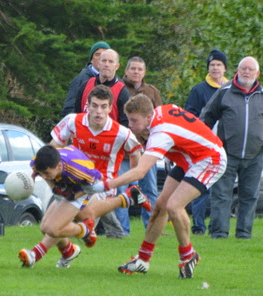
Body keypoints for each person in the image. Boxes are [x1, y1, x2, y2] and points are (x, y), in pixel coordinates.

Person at [106, 95, 227, 278]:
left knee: (173, 206)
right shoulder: (161, 111)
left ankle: (188, 255)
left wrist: (107, 184)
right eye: (129, 119)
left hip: (211, 159)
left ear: (148, 117)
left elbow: (140, 172)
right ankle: (143, 260)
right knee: (161, 205)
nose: (130, 125)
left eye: (134, 120)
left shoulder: (160, 133)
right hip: (191, 158)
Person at [30, 85, 145, 268]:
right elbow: (53, 147)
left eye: (103, 106)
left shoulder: (121, 133)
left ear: (110, 108)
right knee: (49, 224)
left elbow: (136, 154)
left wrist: (134, 179)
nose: (98, 111)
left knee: (65, 218)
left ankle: (36, 253)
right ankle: (70, 249)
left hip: (99, 185)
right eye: (95, 105)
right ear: (87, 106)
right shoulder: (73, 121)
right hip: (72, 180)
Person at [18, 144, 148, 268]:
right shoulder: (37, 163)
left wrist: (72, 196)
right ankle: (69, 250)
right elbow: (42, 174)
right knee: (46, 227)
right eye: (42, 173)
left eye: (47, 173)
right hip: (66, 184)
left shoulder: (78, 171)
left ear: (58, 166)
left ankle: (81, 232)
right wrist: (54, 189)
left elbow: (95, 186)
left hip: (84, 187)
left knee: (53, 228)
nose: (45, 176)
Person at [201, 56, 263, 239]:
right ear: (237, 70)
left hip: (255, 156)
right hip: (226, 155)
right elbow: (207, 117)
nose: (247, 72)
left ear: (257, 73)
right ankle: (219, 233)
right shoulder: (224, 92)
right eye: (243, 68)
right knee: (221, 195)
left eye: (251, 69)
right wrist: (206, 143)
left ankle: (244, 234)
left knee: (249, 196)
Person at [75, 48, 132, 234]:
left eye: (110, 62)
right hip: (85, 147)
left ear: (117, 66)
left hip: (110, 151)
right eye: (103, 60)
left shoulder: (122, 91)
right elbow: (77, 112)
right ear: (97, 63)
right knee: (88, 190)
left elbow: (127, 123)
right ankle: (110, 230)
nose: (106, 64)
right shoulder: (86, 84)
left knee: (112, 190)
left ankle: (110, 230)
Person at [185, 49, 229, 235]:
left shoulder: (231, 89)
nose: (215, 68)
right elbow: (189, 116)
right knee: (200, 188)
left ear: (225, 68)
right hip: (203, 147)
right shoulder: (199, 90)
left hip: (225, 146)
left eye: (218, 65)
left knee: (220, 190)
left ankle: (217, 227)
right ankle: (198, 227)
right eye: (212, 65)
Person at [122, 56, 163, 229]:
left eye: (140, 69)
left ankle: (152, 228)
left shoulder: (152, 92)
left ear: (144, 72)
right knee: (121, 190)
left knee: (150, 191)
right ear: (126, 70)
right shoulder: (119, 89)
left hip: (147, 150)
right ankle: (121, 231)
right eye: (133, 69)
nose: (136, 72)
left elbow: (160, 119)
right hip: (124, 150)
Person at [60, 41, 110, 117]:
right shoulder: (81, 79)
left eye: (104, 56)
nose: (101, 58)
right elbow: (69, 109)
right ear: (91, 59)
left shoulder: (116, 81)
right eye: (98, 55)